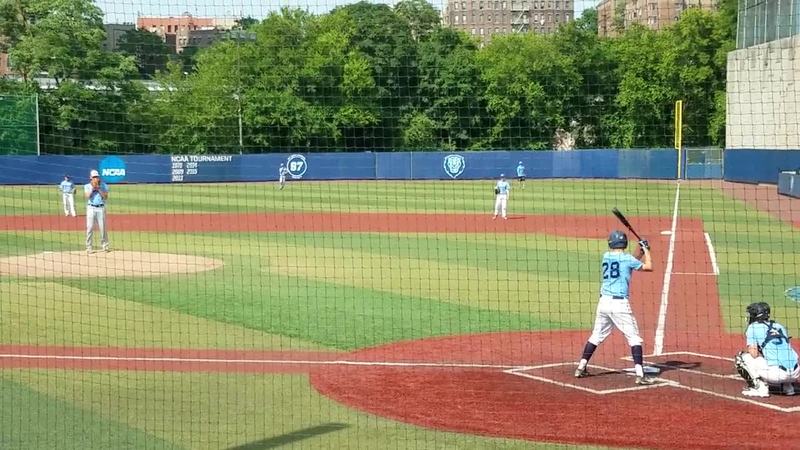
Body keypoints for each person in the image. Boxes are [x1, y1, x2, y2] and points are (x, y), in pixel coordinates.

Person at [574, 230, 655, 385]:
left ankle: (581, 367)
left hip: (603, 303)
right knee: (634, 338)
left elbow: (630, 262)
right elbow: (648, 266)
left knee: (596, 336)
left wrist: (640, 251)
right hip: (620, 305)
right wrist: (646, 251)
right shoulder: (627, 259)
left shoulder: (607, 256)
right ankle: (640, 375)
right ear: (624, 243)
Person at [735, 302, 799, 397]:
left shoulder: (753, 327)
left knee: (741, 358)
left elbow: (754, 354)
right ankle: (788, 387)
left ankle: (759, 388)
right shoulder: (779, 326)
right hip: (796, 373)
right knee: (782, 354)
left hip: (777, 375)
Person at [84, 169, 110, 253]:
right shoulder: (87, 186)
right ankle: (89, 247)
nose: (95, 178)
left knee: (103, 228)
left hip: (101, 208)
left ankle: (105, 246)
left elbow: (105, 197)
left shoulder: (104, 185)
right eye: (94, 177)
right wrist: (93, 189)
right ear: (90, 177)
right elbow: (87, 196)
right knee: (89, 228)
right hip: (91, 208)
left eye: (97, 177)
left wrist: (98, 189)